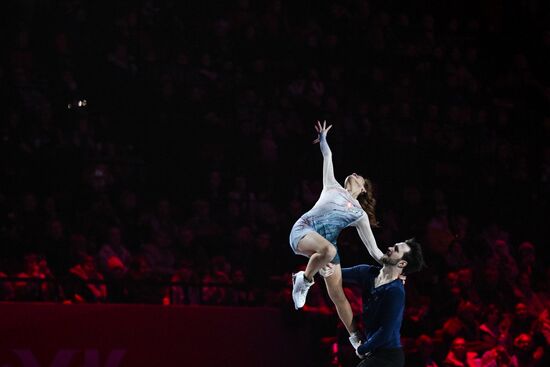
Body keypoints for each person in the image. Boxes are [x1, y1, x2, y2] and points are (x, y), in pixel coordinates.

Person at [289, 120, 384, 349]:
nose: (354, 173)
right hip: (302, 231)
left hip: (324, 246)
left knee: (338, 293)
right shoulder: (331, 185)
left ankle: (355, 338)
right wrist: (323, 139)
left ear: (363, 190)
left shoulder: (359, 215)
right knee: (329, 251)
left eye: (359, 176)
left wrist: (393, 265)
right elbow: (328, 157)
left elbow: (374, 251)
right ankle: (303, 279)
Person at [320, 238, 425, 366]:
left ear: (402, 264)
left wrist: (363, 348)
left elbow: (385, 331)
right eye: (393, 245)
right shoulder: (367, 272)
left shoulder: (395, 291)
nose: (390, 248)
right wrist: (324, 269)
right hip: (374, 352)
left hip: (388, 357)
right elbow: (336, 274)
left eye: (396, 250)